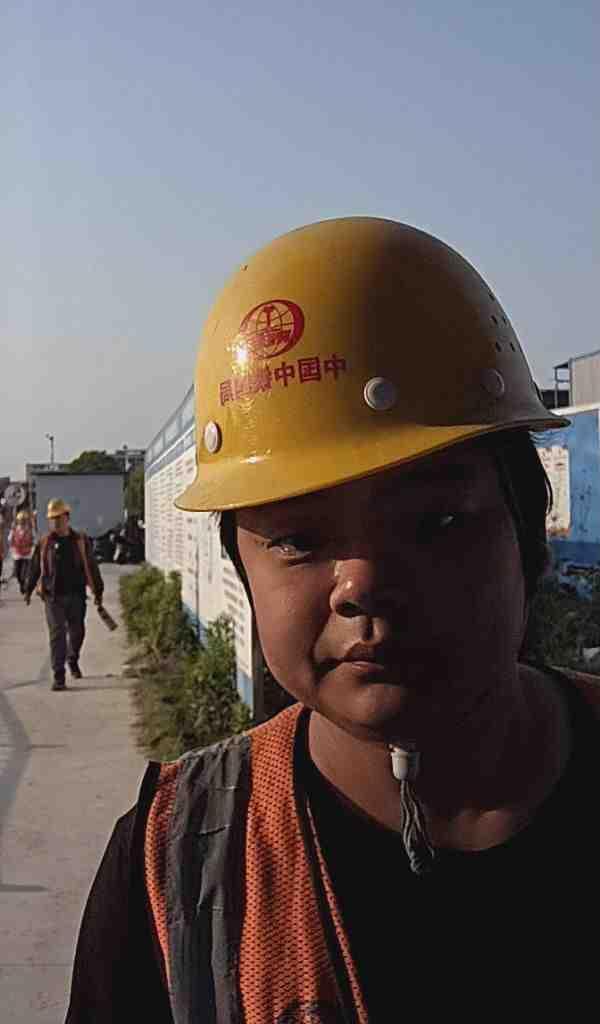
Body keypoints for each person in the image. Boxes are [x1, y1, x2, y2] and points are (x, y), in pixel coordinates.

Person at [65, 219, 600, 1022]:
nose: (363, 584)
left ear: (528, 535)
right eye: (298, 539)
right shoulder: (178, 868)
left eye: (436, 522)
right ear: (241, 566)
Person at [25, 497, 104, 690]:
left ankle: (72, 658)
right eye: (52, 519)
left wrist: (98, 591)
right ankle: (59, 676)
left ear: (67, 518)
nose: (55, 523)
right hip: (53, 597)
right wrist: (28, 588)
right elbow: (35, 567)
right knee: (57, 634)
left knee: (78, 632)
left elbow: (91, 566)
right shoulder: (45, 542)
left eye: (58, 518)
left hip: (76, 595)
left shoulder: (80, 541)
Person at [8, 509, 35, 593]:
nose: (23, 522)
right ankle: (21, 583)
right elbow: (9, 539)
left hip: (27, 554)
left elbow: (34, 539)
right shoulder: (15, 529)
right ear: (18, 521)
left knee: (25, 573)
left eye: (24, 520)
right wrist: (12, 546)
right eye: (21, 520)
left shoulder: (30, 529)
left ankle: (24, 585)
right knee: (18, 573)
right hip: (17, 554)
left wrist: (33, 545)